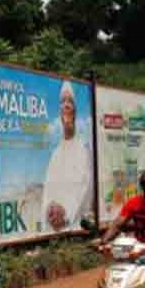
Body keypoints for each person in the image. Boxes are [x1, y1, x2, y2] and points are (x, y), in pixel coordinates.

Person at [40, 81, 94, 233]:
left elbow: (85, 187)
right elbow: (48, 190)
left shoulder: (83, 150)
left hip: (75, 227)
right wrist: (50, 209)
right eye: (63, 101)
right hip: (54, 229)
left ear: (75, 110)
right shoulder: (55, 154)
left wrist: (66, 213)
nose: (66, 105)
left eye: (70, 101)